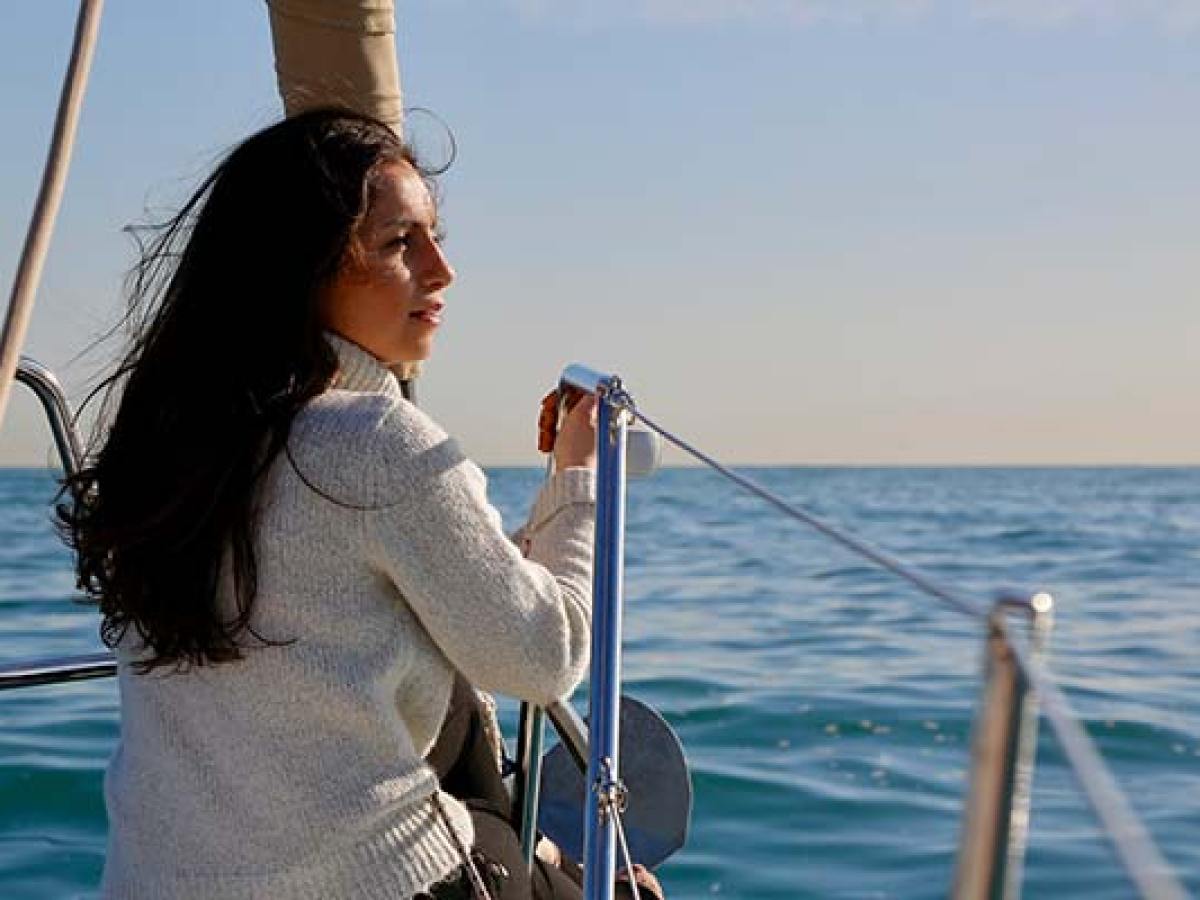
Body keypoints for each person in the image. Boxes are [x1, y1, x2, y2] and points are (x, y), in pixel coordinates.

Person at [59, 108, 601, 899]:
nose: (442, 271)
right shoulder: (376, 441)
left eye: (435, 236)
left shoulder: (173, 455)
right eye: (399, 243)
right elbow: (543, 658)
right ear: (302, 266)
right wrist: (580, 478)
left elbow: (408, 580)